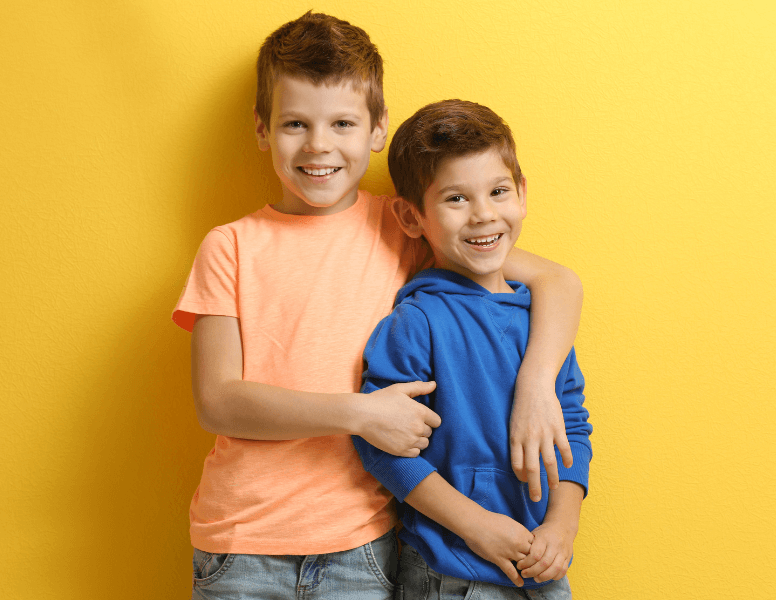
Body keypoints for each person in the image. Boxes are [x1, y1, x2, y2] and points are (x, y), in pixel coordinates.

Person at [172, 12, 583, 600]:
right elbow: (218, 402)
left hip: (361, 546)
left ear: (376, 128)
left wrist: (538, 387)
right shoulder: (230, 246)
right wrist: (359, 414)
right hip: (240, 541)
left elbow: (559, 283)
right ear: (262, 129)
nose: (319, 146)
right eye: (295, 124)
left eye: (342, 122)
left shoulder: (405, 224)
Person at [352, 100, 592, 599]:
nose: (484, 215)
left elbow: (571, 426)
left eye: (498, 192)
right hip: (449, 574)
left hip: (542, 568)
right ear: (412, 216)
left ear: (522, 195)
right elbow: (382, 447)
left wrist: (562, 529)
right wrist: (475, 525)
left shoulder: (543, 322)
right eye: (456, 199)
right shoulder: (416, 322)